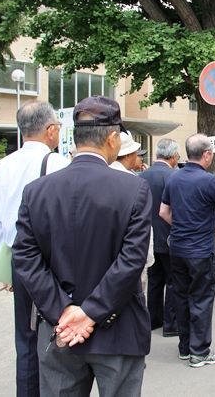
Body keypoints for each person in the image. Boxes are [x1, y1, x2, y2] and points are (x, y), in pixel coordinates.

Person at [12, 95, 153, 396]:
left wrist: (62, 310)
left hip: (58, 330)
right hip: (118, 328)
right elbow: (132, 261)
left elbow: (24, 255)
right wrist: (89, 313)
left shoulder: (36, 191)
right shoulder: (133, 189)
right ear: (113, 139)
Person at [0, 100, 70, 397]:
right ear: (50, 130)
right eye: (59, 128)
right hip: (51, 263)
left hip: (18, 262)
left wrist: (6, 269)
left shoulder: (3, 165)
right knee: (56, 335)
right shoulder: (58, 164)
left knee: (25, 339)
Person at [159, 134, 215, 368]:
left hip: (177, 249)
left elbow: (164, 212)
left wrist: (182, 225)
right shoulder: (208, 180)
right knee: (201, 299)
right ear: (205, 155)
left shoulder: (174, 178)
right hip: (201, 250)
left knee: (181, 297)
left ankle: (185, 348)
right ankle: (200, 352)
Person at [139, 138, 180, 337]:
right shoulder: (175, 176)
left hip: (148, 235)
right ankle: (171, 323)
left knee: (155, 279)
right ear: (173, 156)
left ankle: (153, 318)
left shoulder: (141, 175)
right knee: (173, 279)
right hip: (169, 235)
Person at [110, 131, 154, 294]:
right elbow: (143, 227)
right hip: (131, 259)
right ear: (128, 155)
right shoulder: (136, 183)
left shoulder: (98, 177)